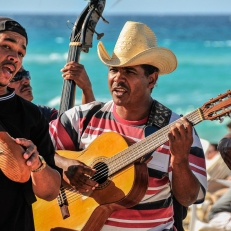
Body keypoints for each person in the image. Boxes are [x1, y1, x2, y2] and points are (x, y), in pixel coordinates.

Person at [50, 21, 207, 230]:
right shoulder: (82, 117)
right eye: (114, 69)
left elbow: (189, 198)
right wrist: (64, 164)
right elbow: (37, 152)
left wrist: (179, 161)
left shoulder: (176, 129)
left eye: (130, 72)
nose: (118, 79)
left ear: (151, 80)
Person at [0, 16, 61, 230]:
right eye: (6, 46)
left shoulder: (32, 115)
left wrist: (38, 165)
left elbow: (51, 192)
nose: (14, 57)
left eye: (20, 53)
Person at [9, 63, 95, 122]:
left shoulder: (43, 114)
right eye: (16, 76)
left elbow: (85, 127)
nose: (26, 80)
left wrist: (86, 88)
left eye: (26, 74)